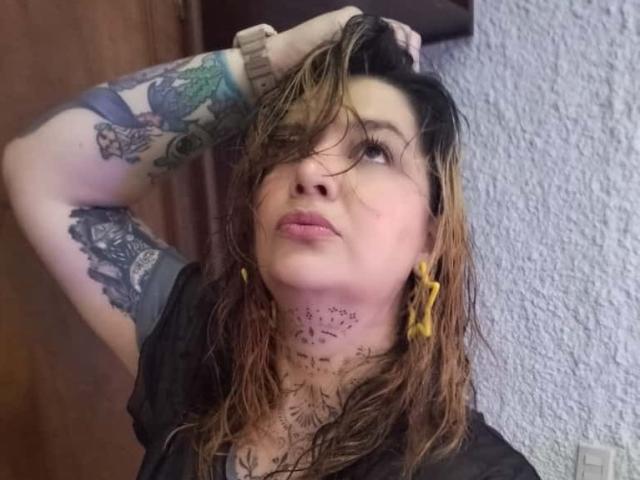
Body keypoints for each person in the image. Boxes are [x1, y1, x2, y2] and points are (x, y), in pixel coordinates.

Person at [2, 7, 541, 480]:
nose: (310, 170)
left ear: (431, 238)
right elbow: (39, 167)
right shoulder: (197, 348)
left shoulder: (477, 473)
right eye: (289, 142)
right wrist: (263, 64)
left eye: (373, 150)